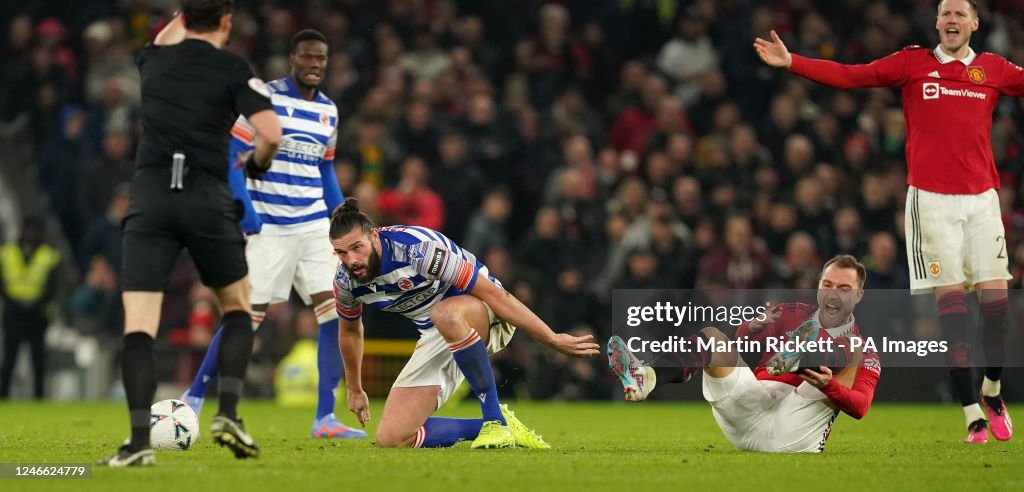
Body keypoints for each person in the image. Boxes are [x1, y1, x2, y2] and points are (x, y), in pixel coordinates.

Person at [753, 0, 1016, 443]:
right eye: (944, 14)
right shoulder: (913, 63)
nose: (951, 21)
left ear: (974, 23)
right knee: (951, 310)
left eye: (959, 14)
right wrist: (793, 62)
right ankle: (971, 412)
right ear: (937, 22)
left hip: (982, 201)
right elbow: (854, 75)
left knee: (996, 307)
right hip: (931, 202)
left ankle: (991, 390)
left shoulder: (993, 69)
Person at [99, 0, 282, 467]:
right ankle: (229, 415)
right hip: (205, 198)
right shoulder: (233, 69)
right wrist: (255, 164)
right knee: (238, 309)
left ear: (181, 18)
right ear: (227, 21)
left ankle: (139, 444)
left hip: (151, 198)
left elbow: (165, 36)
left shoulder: (154, 59)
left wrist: (186, 12)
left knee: (138, 325)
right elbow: (271, 133)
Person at [180, 29, 365, 440]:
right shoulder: (264, 97)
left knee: (337, 313)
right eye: (307, 57)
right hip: (270, 225)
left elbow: (324, 168)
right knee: (244, 317)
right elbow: (232, 154)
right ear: (292, 58)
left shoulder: (329, 111)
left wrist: (341, 216)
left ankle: (324, 419)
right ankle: (192, 399)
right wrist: (245, 211)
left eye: (321, 58)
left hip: (314, 225)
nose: (314, 64)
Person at [330, 198, 599, 448]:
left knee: (444, 314)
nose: (351, 260)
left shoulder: (417, 250)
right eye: (342, 253)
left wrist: (550, 338)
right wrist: (354, 389)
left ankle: (493, 418)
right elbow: (351, 332)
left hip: (485, 311)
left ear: (374, 235)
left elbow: (494, 294)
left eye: (357, 248)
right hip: (438, 332)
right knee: (393, 437)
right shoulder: (345, 283)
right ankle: (499, 427)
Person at [608, 255, 881, 453]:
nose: (833, 294)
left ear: (858, 296)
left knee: (846, 357)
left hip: (793, 431)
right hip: (752, 408)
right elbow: (742, 346)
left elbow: (859, 408)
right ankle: (646, 377)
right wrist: (748, 329)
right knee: (715, 338)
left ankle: (799, 359)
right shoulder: (790, 314)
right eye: (828, 284)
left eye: (844, 289)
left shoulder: (865, 349)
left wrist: (829, 385)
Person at [0, 217, 60, 399]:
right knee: (9, 358)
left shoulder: (48, 255)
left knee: (38, 360)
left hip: (37, 314)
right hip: (13, 313)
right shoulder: (7, 253)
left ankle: (38, 396)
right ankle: (3, 395)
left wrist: (37, 303)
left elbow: (53, 287)